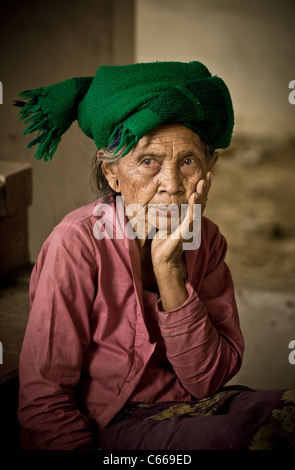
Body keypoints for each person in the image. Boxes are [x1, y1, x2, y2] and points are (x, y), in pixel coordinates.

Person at [16, 61, 295, 450]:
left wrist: (169, 268)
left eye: (188, 161)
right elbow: (44, 402)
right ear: (113, 173)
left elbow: (207, 380)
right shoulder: (77, 243)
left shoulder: (206, 238)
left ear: (209, 169)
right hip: (117, 426)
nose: (172, 185)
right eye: (148, 161)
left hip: (200, 408)